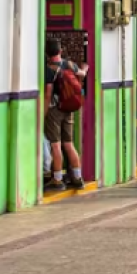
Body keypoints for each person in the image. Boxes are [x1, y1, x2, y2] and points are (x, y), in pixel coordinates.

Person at [43, 38, 89, 192]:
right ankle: (77, 177)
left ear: (46, 53)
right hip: (68, 109)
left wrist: (44, 113)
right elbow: (82, 74)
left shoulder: (49, 69)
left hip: (54, 110)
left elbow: (48, 94)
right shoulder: (68, 64)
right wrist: (85, 69)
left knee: (55, 145)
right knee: (68, 144)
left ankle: (57, 180)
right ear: (60, 50)